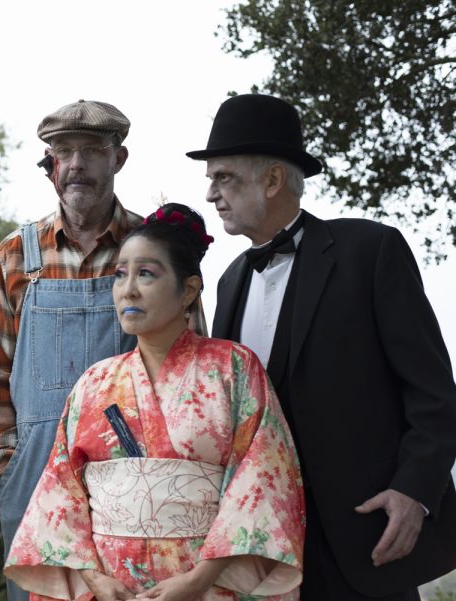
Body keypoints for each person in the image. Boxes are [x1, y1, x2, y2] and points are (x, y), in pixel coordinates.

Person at [187, 93, 456, 600]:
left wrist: (415, 491)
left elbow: (435, 393)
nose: (211, 194)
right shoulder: (229, 282)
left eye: (223, 178)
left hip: (366, 539)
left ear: (271, 180)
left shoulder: (371, 251)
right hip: (262, 549)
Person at [3, 203, 305, 601]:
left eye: (146, 274)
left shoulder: (232, 368)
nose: (128, 289)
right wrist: (95, 579)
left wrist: (198, 581)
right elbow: (61, 491)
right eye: (120, 274)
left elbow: (263, 481)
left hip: (210, 583)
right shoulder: (94, 383)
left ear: (190, 290)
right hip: (110, 587)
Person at [0, 100, 142, 601]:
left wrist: (154, 466)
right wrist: (9, 468)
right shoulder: (16, 255)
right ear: (50, 165)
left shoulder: (150, 246)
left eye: (92, 150)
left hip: (132, 472)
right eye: (63, 151)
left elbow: (186, 365)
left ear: (119, 158)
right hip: (35, 476)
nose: (76, 165)